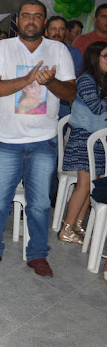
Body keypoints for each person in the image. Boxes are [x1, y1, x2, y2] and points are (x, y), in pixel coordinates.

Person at [0, 0, 76, 277]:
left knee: (40, 203)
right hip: (8, 140)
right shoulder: (3, 48)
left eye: (37, 16)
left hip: (43, 140)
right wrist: (28, 79)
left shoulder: (58, 50)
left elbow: (70, 94)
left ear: (45, 21)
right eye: (26, 15)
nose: (31, 20)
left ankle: (38, 254)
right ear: (17, 20)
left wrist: (49, 81)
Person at [60, 42, 107, 244]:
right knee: (84, 185)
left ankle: (78, 225)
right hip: (83, 138)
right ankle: (67, 228)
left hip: (98, 141)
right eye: (106, 56)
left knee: (92, 185)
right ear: (95, 58)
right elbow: (96, 107)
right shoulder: (86, 80)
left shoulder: (102, 81)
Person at [44, 15, 83, 117]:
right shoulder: (38, 52)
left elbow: (73, 82)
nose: (57, 33)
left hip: (63, 108)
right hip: (37, 107)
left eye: (61, 29)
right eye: (53, 29)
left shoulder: (74, 53)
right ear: (46, 32)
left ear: (66, 32)